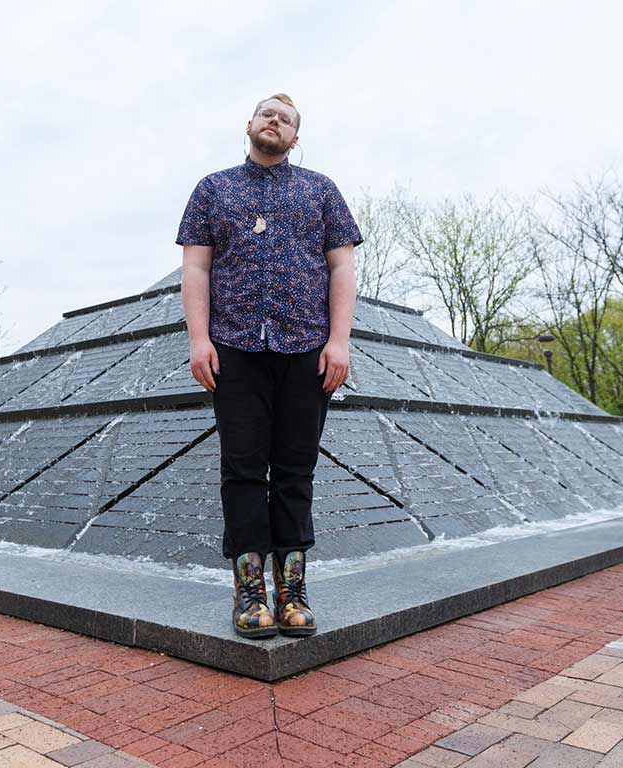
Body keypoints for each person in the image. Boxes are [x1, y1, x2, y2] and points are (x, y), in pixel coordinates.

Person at [176, 93, 360, 639]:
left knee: (296, 470)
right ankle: (250, 590)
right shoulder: (212, 189)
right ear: (249, 125)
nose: (274, 122)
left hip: (307, 348)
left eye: (285, 119)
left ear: (296, 138)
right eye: (266, 114)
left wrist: (341, 342)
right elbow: (195, 268)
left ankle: (294, 588)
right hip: (234, 348)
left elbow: (342, 265)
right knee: (242, 470)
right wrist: (198, 341)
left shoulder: (321, 190)